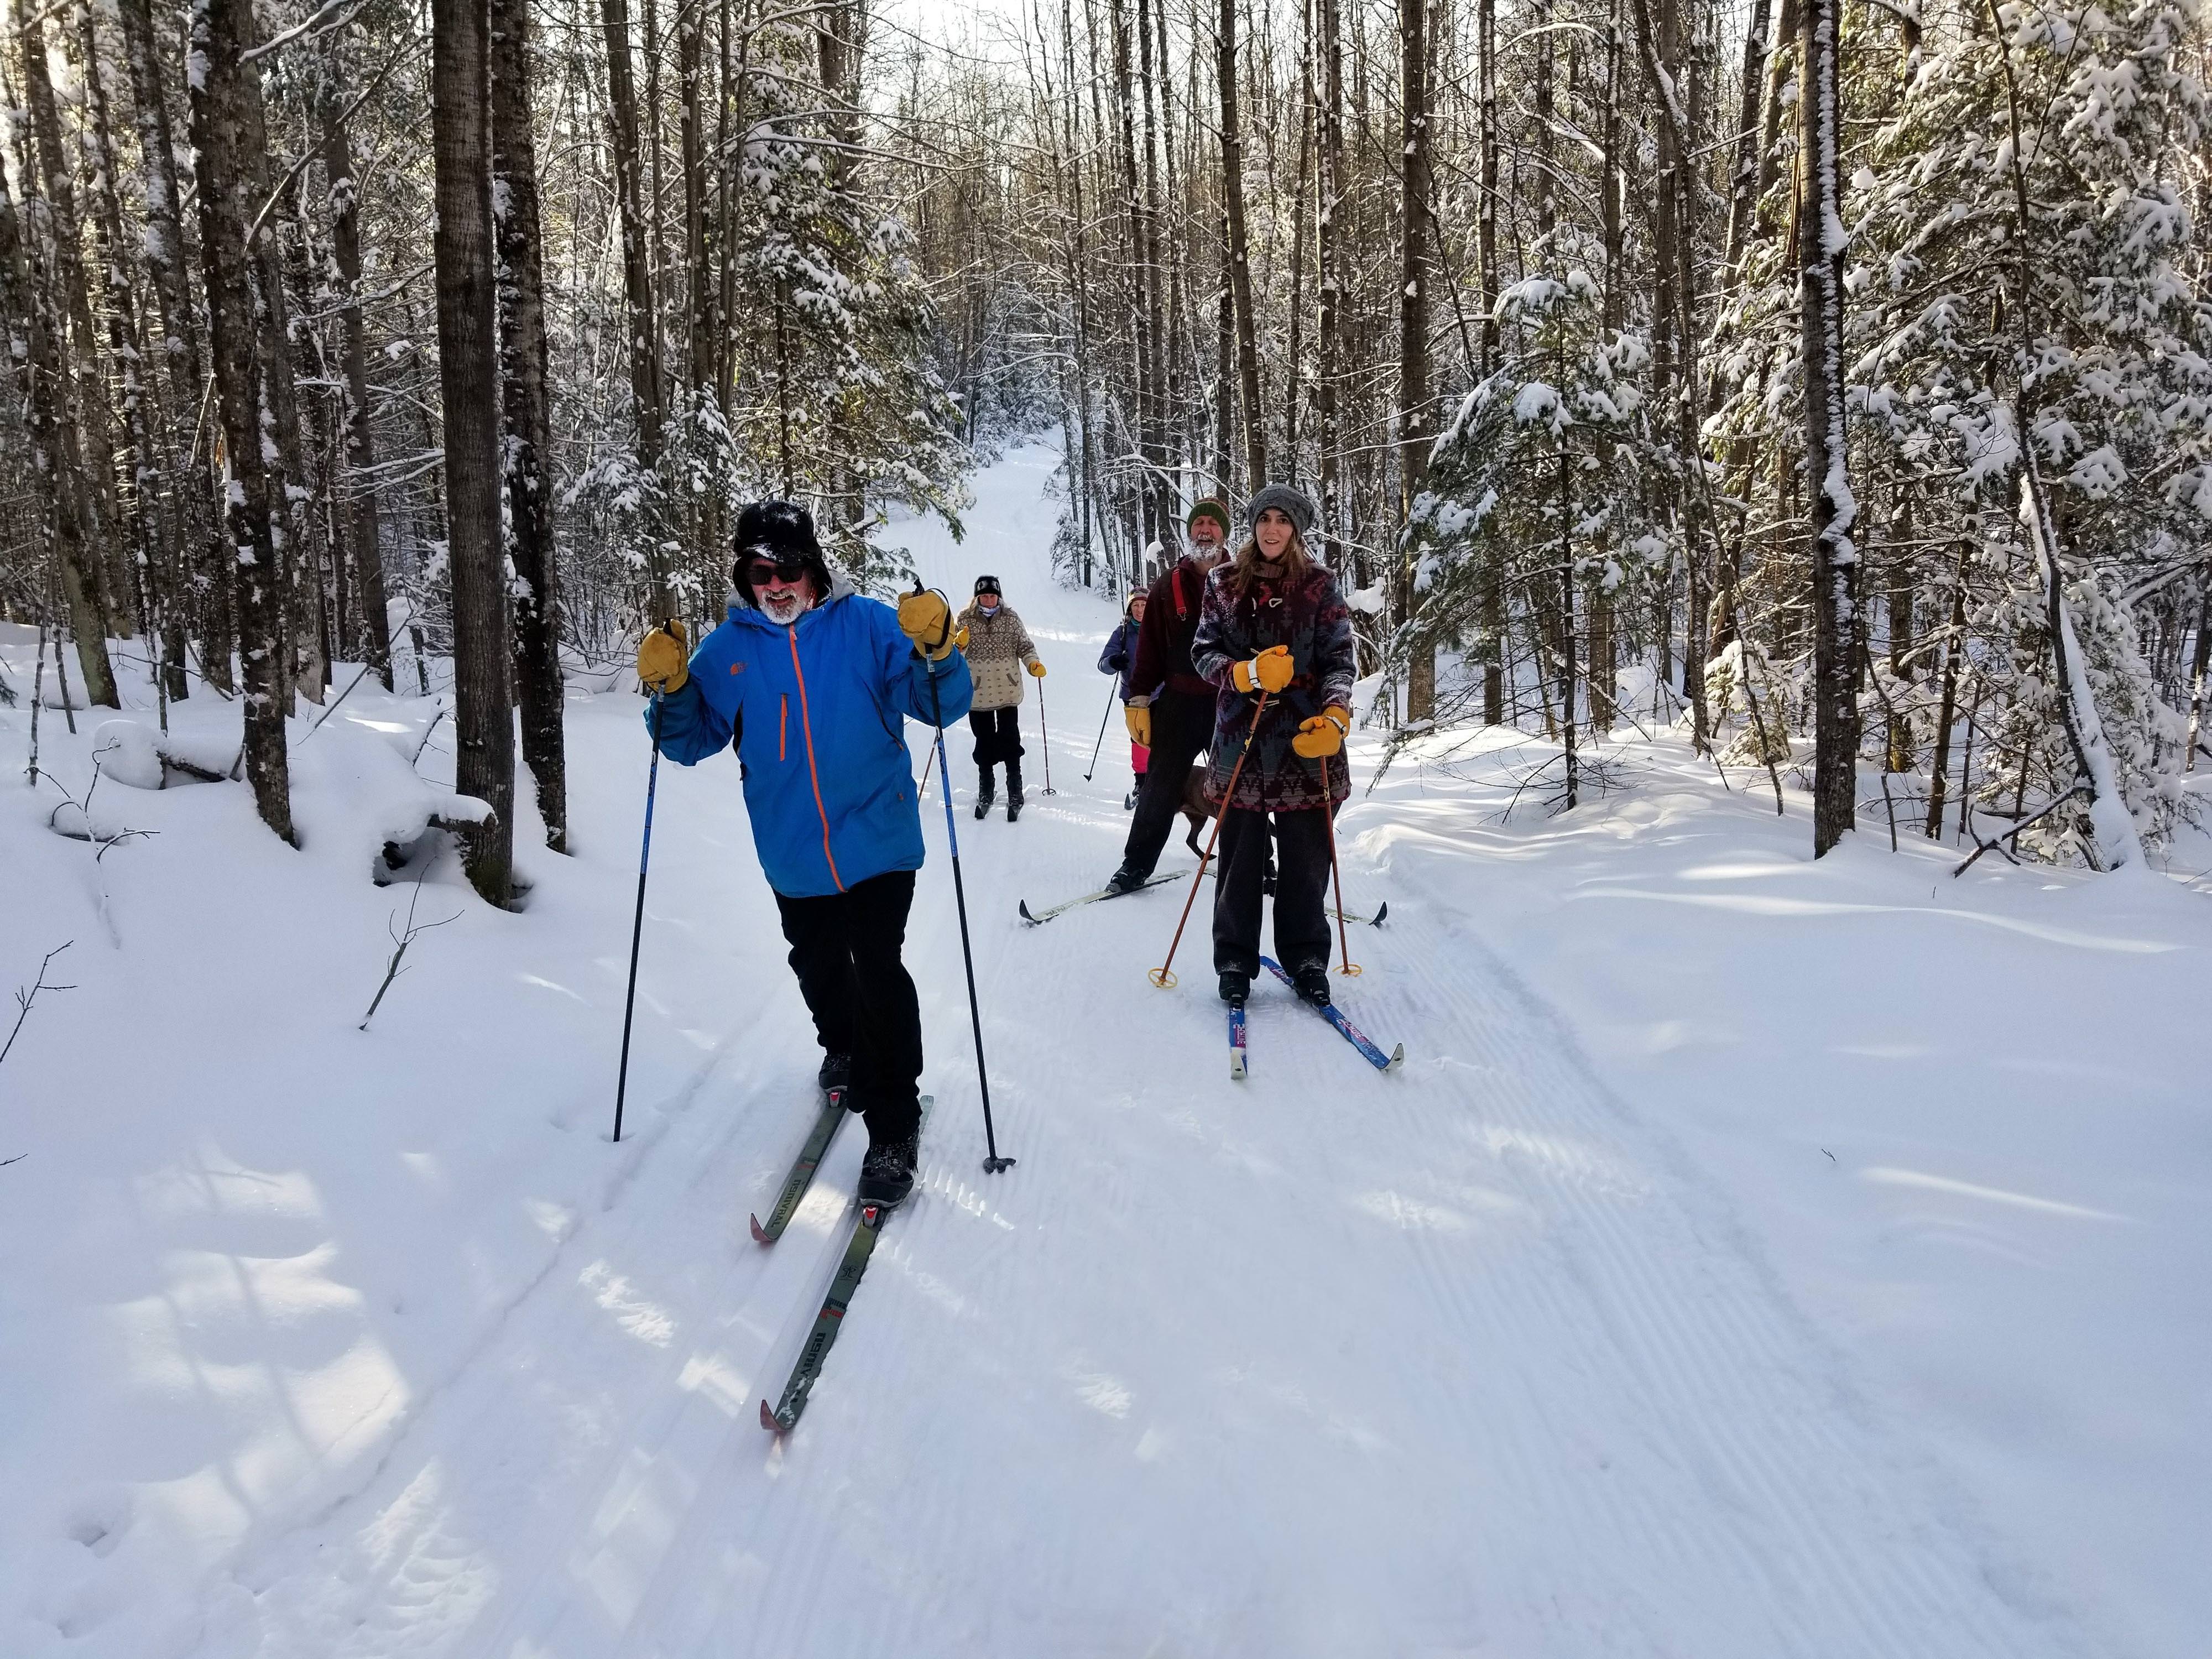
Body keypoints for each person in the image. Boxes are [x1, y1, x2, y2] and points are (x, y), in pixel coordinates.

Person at [634, 500, 971, 1208]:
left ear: (814, 569)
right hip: (792, 850)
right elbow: (689, 741)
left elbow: (938, 707)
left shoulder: (870, 625)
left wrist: (938, 650)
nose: (776, 584)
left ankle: (892, 1123)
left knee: (878, 967)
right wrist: (668, 690)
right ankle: (840, 1044)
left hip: (878, 838)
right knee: (817, 963)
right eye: (762, 571)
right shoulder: (728, 650)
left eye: (788, 569)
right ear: (745, 575)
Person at [1190, 485, 1355, 1008]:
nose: (1272, 529)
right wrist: (1243, 673)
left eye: (1283, 521)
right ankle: (1235, 959)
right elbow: (1202, 652)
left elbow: (1340, 661)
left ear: (1296, 530)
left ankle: (1306, 956)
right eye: (1265, 519)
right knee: (1239, 858)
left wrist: (1336, 715)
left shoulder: (1321, 586)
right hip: (1241, 739)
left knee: (1308, 859)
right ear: (1253, 525)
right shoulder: (1222, 584)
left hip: (1306, 742)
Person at [1102, 499, 1235, 892]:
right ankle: (1135, 866)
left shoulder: (1243, 580)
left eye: (1213, 523)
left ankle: (1259, 865)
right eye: (1199, 524)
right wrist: (1138, 699)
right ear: (1190, 532)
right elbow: (1149, 651)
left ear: (1223, 532)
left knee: (1240, 790)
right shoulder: (1166, 587)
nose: (1205, 530)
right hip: (1177, 704)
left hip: (1228, 702)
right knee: (1158, 789)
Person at [954, 575, 1047, 821]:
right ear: (977, 597)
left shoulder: (1011, 618)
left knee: (1009, 738)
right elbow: (954, 653)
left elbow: (1025, 646)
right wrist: (959, 646)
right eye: (983, 595)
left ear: (999, 596)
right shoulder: (964, 618)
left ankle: (1015, 787)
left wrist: (1032, 663)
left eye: (992, 595)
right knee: (983, 740)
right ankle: (987, 787)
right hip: (978, 692)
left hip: (1007, 689)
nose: (988, 599)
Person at [1097, 589, 1155, 808]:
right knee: (1139, 739)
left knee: (1161, 738)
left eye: (1144, 605)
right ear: (1130, 608)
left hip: (1160, 693)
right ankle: (1141, 783)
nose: (1140, 610)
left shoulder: (1161, 628)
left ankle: (1159, 781)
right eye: (1136, 606)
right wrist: (1114, 662)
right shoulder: (1122, 633)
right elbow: (1103, 663)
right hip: (1132, 695)